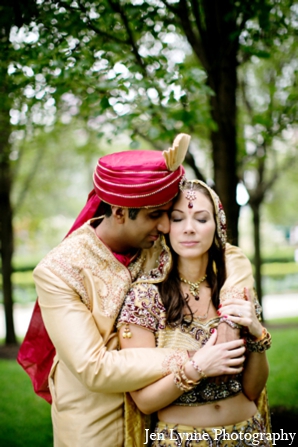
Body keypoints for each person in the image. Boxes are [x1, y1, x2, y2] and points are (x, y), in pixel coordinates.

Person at [17, 135, 255, 447]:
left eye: (168, 214)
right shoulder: (59, 271)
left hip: (167, 412)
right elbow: (94, 367)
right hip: (98, 421)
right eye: (156, 215)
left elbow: (227, 253)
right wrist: (196, 358)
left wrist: (230, 314)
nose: (167, 227)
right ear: (118, 212)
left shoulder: (155, 242)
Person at [118, 178, 272, 447]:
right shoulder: (145, 297)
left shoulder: (234, 289)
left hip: (249, 435)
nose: (189, 229)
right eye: (178, 219)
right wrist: (198, 367)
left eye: (201, 219)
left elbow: (252, 390)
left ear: (217, 226)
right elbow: (143, 402)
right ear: (166, 227)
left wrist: (257, 334)